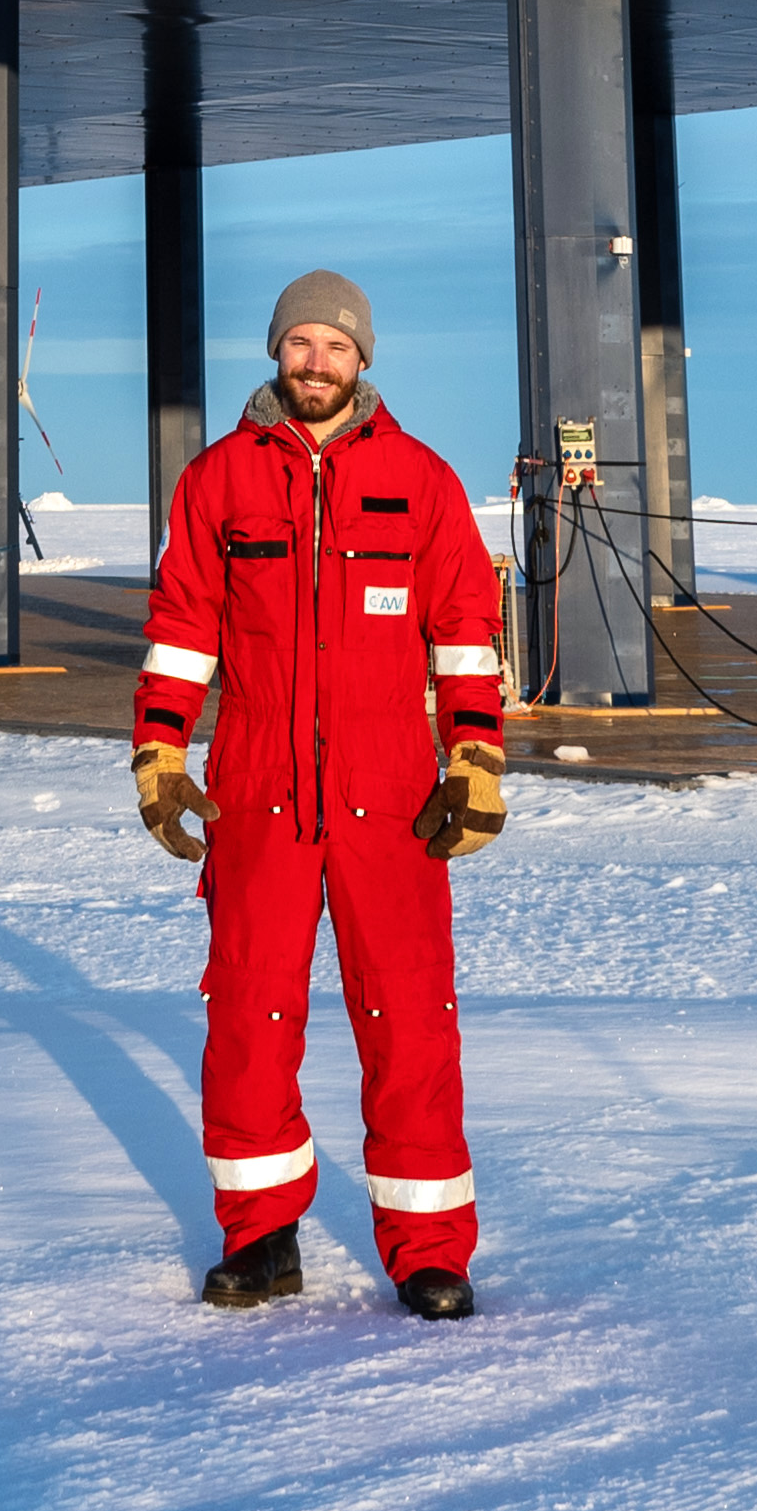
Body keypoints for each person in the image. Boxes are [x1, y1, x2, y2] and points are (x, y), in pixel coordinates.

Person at [130, 269, 507, 1317]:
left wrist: (473, 762)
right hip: (260, 793)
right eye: (299, 343)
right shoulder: (217, 483)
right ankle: (260, 1237)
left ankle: (431, 1251)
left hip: (391, 797)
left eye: (334, 347)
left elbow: (465, 638)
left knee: (412, 1019)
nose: (315, 363)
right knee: (250, 1014)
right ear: (276, 354)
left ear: (363, 359)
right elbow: (181, 633)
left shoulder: (421, 482)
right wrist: (161, 757)